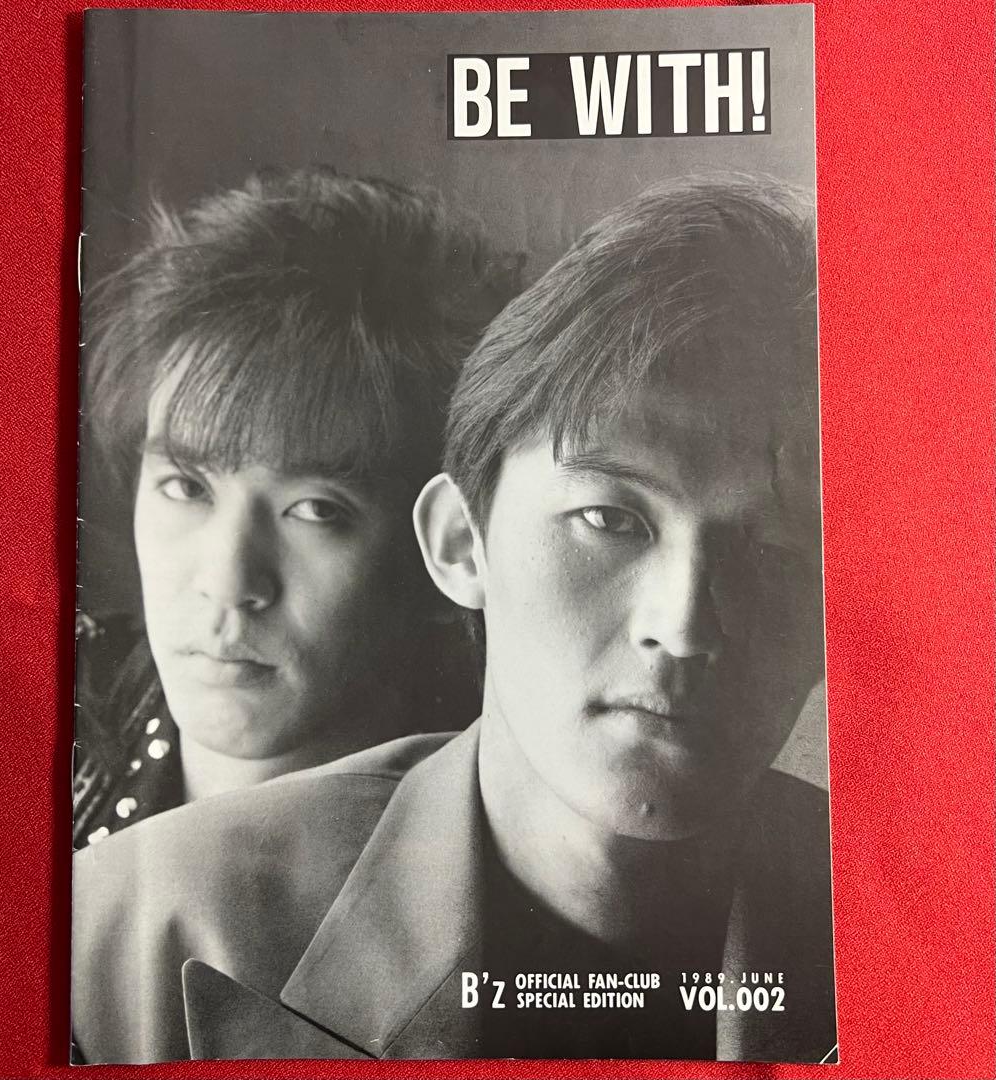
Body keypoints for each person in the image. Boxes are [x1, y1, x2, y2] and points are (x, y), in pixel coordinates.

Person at [72, 177, 836, 1064]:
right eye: (611, 519)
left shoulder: (930, 927)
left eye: (772, 553)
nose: (685, 625)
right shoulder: (114, 929)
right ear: (459, 542)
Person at [73, 169, 522, 848]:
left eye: (316, 510)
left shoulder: (501, 840)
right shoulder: (35, 706)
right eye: (187, 488)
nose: (228, 583)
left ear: (449, 544)